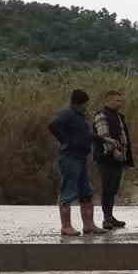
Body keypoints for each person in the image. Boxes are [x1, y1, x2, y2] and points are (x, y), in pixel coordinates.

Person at [48, 88, 98, 236]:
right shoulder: (67, 113)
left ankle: (89, 226)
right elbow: (53, 125)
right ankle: (66, 226)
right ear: (78, 103)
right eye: (85, 104)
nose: (86, 106)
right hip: (69, 157)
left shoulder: (80, 115)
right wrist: (65, 141)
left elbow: (86, 134)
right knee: (68, 191)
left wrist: (103, 139)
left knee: (86, 192)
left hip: (81, 157)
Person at [92, 89, 134, 229]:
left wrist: (125, 157)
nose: (120, 103)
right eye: (117, 100)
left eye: (121, 100)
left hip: (118, 158)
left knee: (113, 188)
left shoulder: (118, 116)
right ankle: (106, 219)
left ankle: (110, 216)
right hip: (106, 158)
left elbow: (123, 136)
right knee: (108, 188)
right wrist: (114, 151)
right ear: (108, 100)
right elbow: (104, 136)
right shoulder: (102, 115)